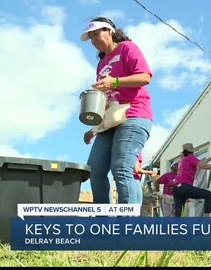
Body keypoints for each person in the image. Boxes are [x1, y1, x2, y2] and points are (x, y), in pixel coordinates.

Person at [81, 16, 153, 204]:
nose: (95, 40)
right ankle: (103, 223)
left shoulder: (127, 48)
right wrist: (93, 128)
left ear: (110, 31)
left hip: (134, 114)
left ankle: (127, 226)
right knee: (95, 170)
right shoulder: (101, 63)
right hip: (111, 119)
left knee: (121, 168)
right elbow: (107, 99)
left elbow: (144, 77)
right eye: (91, 37)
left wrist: (113, 81)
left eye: (97, 34)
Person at [172, 143, 211, 217]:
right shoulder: (190, 157)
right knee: (209, 195)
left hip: (176, 189)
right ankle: (207, 220)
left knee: (178, 214)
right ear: (192, 152)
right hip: (184, 187)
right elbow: (203, 166)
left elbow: (201, 163)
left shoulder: (182, 159)